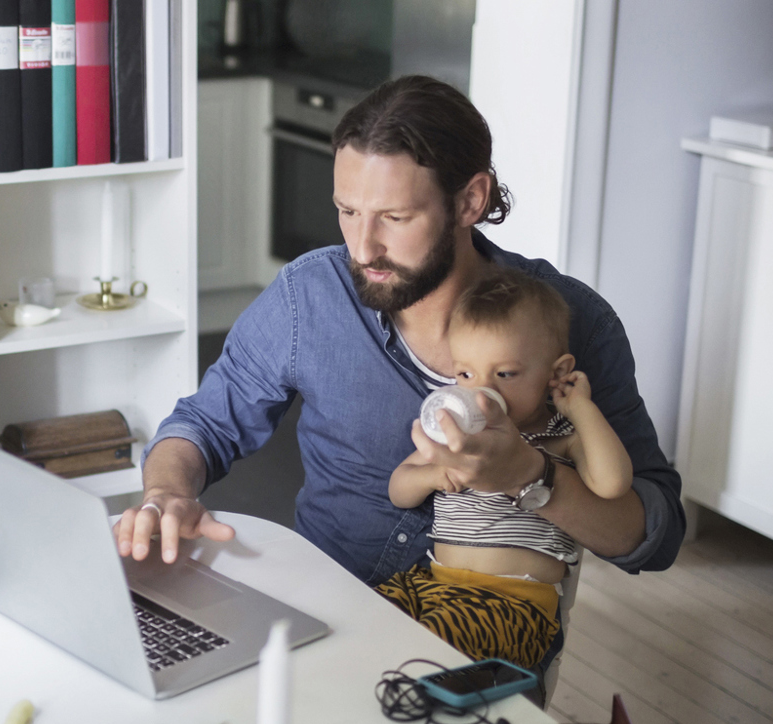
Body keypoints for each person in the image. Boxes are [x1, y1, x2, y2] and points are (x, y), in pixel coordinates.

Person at [114, 75, 685, 668]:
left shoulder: (573, 321)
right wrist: (166, 493)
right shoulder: (309, 295)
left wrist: (529, 476)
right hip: (322, 617)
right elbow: (203, 423)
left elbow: (652, 537)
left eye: (394, 216)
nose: (363, 247)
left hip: (477, 644)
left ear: (471, 200)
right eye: (348, 211)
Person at [377, 267, 632, 669]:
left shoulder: (561, 435)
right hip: (433, 585)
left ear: (557, 372)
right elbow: (399, 488)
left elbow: (613, 484)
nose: (482, 391)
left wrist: (580, 408)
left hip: (512, 605)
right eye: (465, 373)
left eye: (505, 374)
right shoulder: (454, 434)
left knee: (426, 653)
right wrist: (432, 475)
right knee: (361, 621)